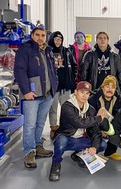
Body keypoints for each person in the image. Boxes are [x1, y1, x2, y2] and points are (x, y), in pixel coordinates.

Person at [14, 26, 58, 168]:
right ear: (32, 35)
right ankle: (29, 152)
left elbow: (52, 70)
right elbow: (19, 71)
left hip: (47, 94)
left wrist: (54, 87)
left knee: (40, 123)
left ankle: (37, 146)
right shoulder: (25, 49)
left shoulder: (48, 51)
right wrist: (26, 91)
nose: (40, 38)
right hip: (32, 95)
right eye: (37, 35)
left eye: (43, 35)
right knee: (30, 125)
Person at [49, 81, 110, 181]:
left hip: (81, 140)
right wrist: (98, 118)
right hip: (67, 138)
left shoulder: (90, 109)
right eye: (82, 92)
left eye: (87, 93)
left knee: (102, 144)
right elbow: (79, 123)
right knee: (61, 142)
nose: (84, 96)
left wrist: (94, 147)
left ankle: (78, 155)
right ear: (75, 92)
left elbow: (95, 130)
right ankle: (56, 165)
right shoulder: (67, 106)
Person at [48, 31, 77, 139]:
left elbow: (74, 66)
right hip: (53, 87)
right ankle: (53, 128)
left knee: (67, 108)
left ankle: (65, 128)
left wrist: (72, 79)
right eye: (56, 39)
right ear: (52, 40)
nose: (58, 42)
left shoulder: (67, 51)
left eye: (60, 40)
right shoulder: (48, 51)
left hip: (66, 87)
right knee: (53, 108)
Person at [88, 75, 121, 160]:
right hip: (95, 125)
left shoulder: (119, 100)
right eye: (107, 86)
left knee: (118, 128)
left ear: (115, 90)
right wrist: (100, 130)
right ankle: (91, 150)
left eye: (112, 87)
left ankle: (110, 152)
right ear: (102, 87)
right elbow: (89, 119)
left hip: (110, 126)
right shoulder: (93, 99)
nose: (110, 89)